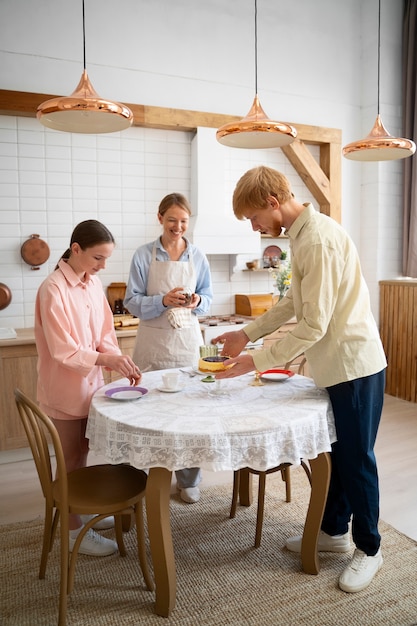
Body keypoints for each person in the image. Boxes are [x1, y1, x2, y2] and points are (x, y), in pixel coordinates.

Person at [212, 166, 387, 594]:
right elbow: (293, 301)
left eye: (254, 217)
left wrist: (256, 360)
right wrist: (246, 333)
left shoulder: (319, 240)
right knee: (337, 452)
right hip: (336, 366)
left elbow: (314, 324)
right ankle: (333, 532)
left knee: (357, 460)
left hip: (355, 365)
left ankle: (370, 548)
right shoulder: (301, 235)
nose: (254, 227)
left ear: (273, 203)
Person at [35, 220, 142, 557]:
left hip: (91, 387)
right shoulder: (53, 289)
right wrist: (106, 361)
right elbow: (63, 351)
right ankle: (69, 530)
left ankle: (77, 513)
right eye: (98, 258)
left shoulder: (92, 284)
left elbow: (105, 333)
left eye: (106, 260)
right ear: (76, 250)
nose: (102, 266)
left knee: (82, 452)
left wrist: (117, 358)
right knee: (69, 459)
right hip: (63, 391)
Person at [124, 192, 213, 503]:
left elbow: (208, 299)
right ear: (159, 218)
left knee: (190, 414)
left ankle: (189, 479)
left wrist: (198, 301)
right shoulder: (143, 255)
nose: (178, 227)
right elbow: (131, 302)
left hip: (187, 343)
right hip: (153, 344)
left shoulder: (197, 256)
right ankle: (147, 476)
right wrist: (161, 300)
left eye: (184, 221)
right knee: (151, 414)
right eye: (172, 220)